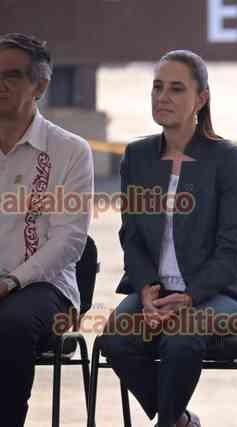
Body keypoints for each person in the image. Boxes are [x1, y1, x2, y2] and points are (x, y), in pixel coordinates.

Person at [99, 50, 237, 427]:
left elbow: (232, 247)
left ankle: (168, 424)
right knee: (115, 338)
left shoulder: (227, 158)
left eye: (176, 89)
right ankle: (179, 421)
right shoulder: (137, 156)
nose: (162, 97)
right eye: (157, 87)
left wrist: (189, 297)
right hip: (154, 293)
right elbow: (131, 235)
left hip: (216, 297)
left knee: (182, 334)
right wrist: (147, 291)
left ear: (201, 99)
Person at [0, 33, 93, 426]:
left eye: (12, 76)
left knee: (10, 325)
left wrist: (11, 282)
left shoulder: (69, 150)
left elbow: (69, 240)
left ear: (40, 86)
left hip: (45, 289)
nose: (0, 84)